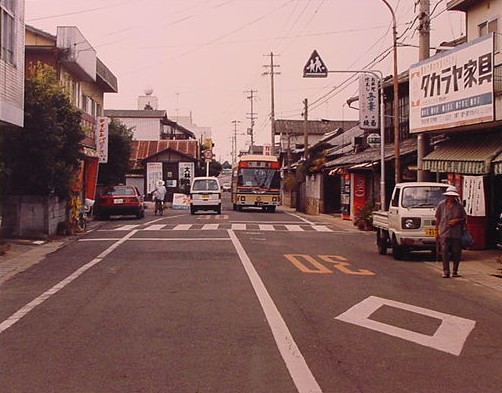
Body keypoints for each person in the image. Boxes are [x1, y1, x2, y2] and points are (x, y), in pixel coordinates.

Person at [435, 186, 467, 278]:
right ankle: (446, 271)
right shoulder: (441, 205)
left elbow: (464, 218)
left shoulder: (459, 206)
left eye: (452, 196)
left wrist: (456, 221)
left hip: (456, 233)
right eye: (449, 196)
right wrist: (436, 232)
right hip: (444, 232)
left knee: (456, 252)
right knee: (444, 251)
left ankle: (455, 271)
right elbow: (437, 219)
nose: (450, 198)